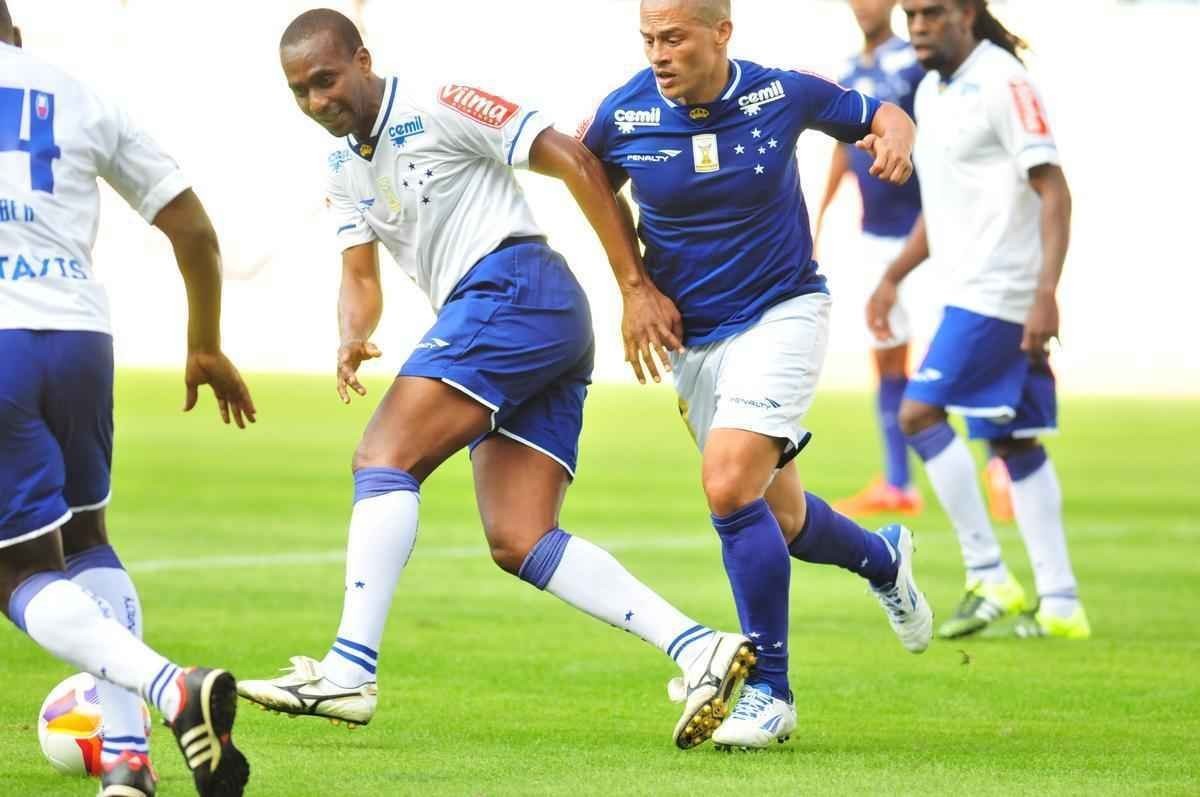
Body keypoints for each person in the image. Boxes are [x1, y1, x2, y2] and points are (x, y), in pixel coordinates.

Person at [236, 9, 755, 751]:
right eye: (300, 92)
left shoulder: (439, 103)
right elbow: (360, 275)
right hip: (521, 318)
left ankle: (349, 668)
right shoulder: (341, 167)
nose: (318, 100)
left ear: (361, 58)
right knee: (519, 536)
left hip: (516, 288)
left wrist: (634, 285)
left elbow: (574, 159)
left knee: (383, 457)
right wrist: (353, 334)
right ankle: (696, 645)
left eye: (326, 79)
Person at [578, 0, 933, 750]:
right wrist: (633, 286)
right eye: (648, 39)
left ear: (721, 33)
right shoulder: (625, 114)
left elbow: (883, 114)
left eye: (673, 37)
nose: (659, 54)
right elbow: (587, 180)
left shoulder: (782, 92)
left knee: (728, 484)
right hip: (693, 343)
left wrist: (896, 136)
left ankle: (770, 689)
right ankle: (884, 557)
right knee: (785, 519)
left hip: (784, 311)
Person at [0, 4, 255, 796]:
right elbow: (194, 230)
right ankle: (125, 763)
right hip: (80, 339)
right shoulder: (81, 93)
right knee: (87, 539)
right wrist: (205, 343)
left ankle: (172, 687)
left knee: (14, 573)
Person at [869, 0, 1090, 640]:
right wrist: (891, 277)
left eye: (931, 13)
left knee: (919, 413)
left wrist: (1046, 291)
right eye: (910, 14)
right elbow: (941, 209)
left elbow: (1054, 187)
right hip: (969, 287)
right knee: (1014, 441)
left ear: (967, 12)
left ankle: (988, 572)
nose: (917, 26)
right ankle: (1061, 603)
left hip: (1002, 291)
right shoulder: (934, 91)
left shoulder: (1004, 82)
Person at [815, 0, 926, 517]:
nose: (863, 6)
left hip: (929, 233)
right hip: (876, 235)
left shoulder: (917, 60)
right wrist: (817, 218)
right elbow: (843, 149)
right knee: (887, 352)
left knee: (962, 349)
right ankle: (898, 482)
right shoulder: (851, 73)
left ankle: (1000, 464)